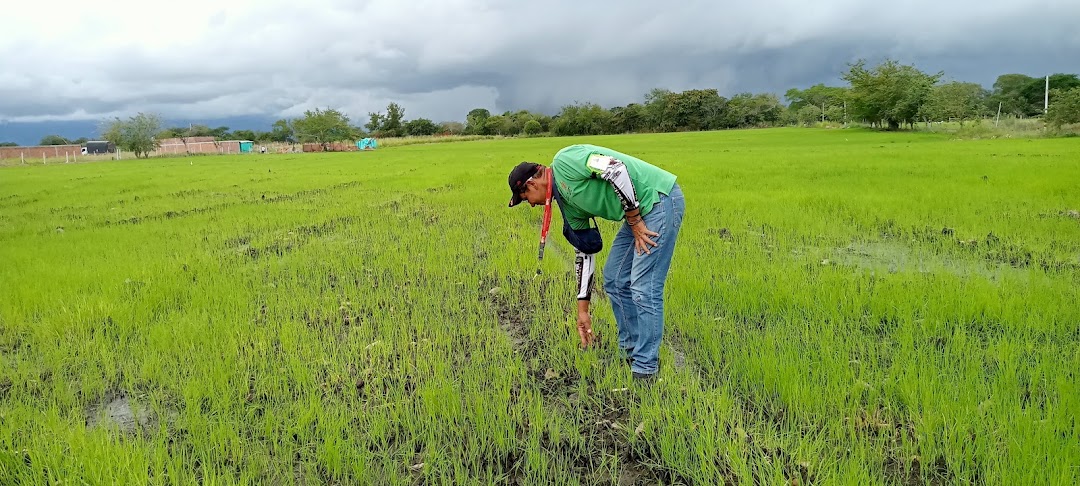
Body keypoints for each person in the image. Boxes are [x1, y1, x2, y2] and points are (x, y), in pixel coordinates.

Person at [507, 144, 685, 382]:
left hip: (658, 201)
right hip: (638, 212)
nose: (529, 203)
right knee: (614, 279)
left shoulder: (565, 161)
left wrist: (633, 219)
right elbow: (584, 252)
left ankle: (646, 367)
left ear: (531, 184)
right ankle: (630, 352)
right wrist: (583, 311)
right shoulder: (568, 205)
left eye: (525, 198)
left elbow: (616, 169)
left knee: (644, 287)